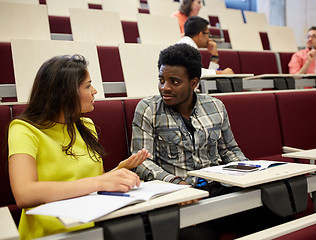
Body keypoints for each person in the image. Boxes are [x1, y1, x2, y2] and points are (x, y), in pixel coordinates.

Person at [7, 55, 150, 239]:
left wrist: (118, 172)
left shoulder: (86, 125)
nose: (95, 91)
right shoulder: (23, 129)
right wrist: (101, 181)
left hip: (93, 223)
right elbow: (24, 194)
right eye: (88, 86)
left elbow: (88, 184)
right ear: (65, 93)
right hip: (50, 233)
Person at [132, 43, 247, 190]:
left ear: (193, 83)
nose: (165, 88)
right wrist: (176, 183)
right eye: (161, 80)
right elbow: (142, 162)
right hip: (175, 191)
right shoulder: (148, 109)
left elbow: (229, 150)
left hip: (217, 185)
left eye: (174, 82)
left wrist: (248, 172)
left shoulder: (216, 106)